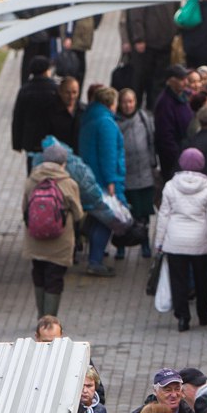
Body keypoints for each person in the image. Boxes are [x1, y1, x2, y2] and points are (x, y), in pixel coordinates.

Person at [155, 148, 207, 332]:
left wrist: (159, 242)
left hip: (175, 241)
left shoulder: (170, 185)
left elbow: (163, 215)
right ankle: (203, 314)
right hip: (200, 241)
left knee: (178, 280)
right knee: (202, 279)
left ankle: (183, 318)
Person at [23, 144, 84, 318]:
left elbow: (24, 209)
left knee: (39, 275)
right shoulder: (68, 183)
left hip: (34, 239)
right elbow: (78, 213)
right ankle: (50, 319)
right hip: (60, 241)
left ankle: (41, 316)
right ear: (63, 163)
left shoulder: (31, 180)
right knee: (54, 279)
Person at [78, 85, 126, 277]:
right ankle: (95, 260)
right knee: (106, 220)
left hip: (91, 176)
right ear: (111, 103)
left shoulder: (90, 118)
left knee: (96, 218)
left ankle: (93, 255)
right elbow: (108, 155)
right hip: (103, 181)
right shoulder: (106, 123)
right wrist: (111, 181)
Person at [115, 88, 157, 259]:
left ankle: (144, 243)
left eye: (131, 101)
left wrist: (153, 163)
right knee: (123, 214)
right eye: (124, 102)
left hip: (144, 174)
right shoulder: (115, 122)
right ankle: (121, 246)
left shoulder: (144, 118)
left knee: (143, 213)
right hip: (125, 175)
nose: (128, 105)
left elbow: (151, 141)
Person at [125, 2, 180, 109]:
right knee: (140, 80)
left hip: (165, 44)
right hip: (147, 45)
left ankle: (154, 109)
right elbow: (136, 15)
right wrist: (139, 38)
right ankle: (135, 110)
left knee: (159, 81)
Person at [12, 56, 59, 172]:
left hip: (31, 139)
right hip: (51, 138)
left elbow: (18, 118)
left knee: (32, 170)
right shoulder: (54, 89)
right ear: (46, 70)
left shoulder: (25, 90)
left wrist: (17, 143)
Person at [153, 65, 195, 186]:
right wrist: (178, 159)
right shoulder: (165, 104)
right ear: (171, 81)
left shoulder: (185, 96)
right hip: (175, 160)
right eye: (181, 79)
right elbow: (165, 137)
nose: (185, 82)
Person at [50, 76, 84, 154]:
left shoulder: (84, 111)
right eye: (67, 93)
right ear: (60, 92)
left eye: (74, 92)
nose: (71, 96)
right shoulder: (51, 111)